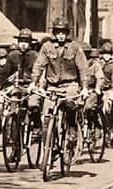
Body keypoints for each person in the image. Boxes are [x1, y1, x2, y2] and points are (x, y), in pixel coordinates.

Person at [29, 18, 87, 148]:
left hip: (70, 84)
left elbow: (83, 69)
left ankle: (71, 129)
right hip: (52, 86)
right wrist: (33, 82)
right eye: (58, 32)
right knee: (47, 116)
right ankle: (50, 144)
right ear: (54, 33)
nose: (61, 35)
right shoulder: (47, 47)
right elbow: (39, 65)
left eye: (63, 32)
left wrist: (84, 87)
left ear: (67, 34)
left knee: (70, 104)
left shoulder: (75, 47)